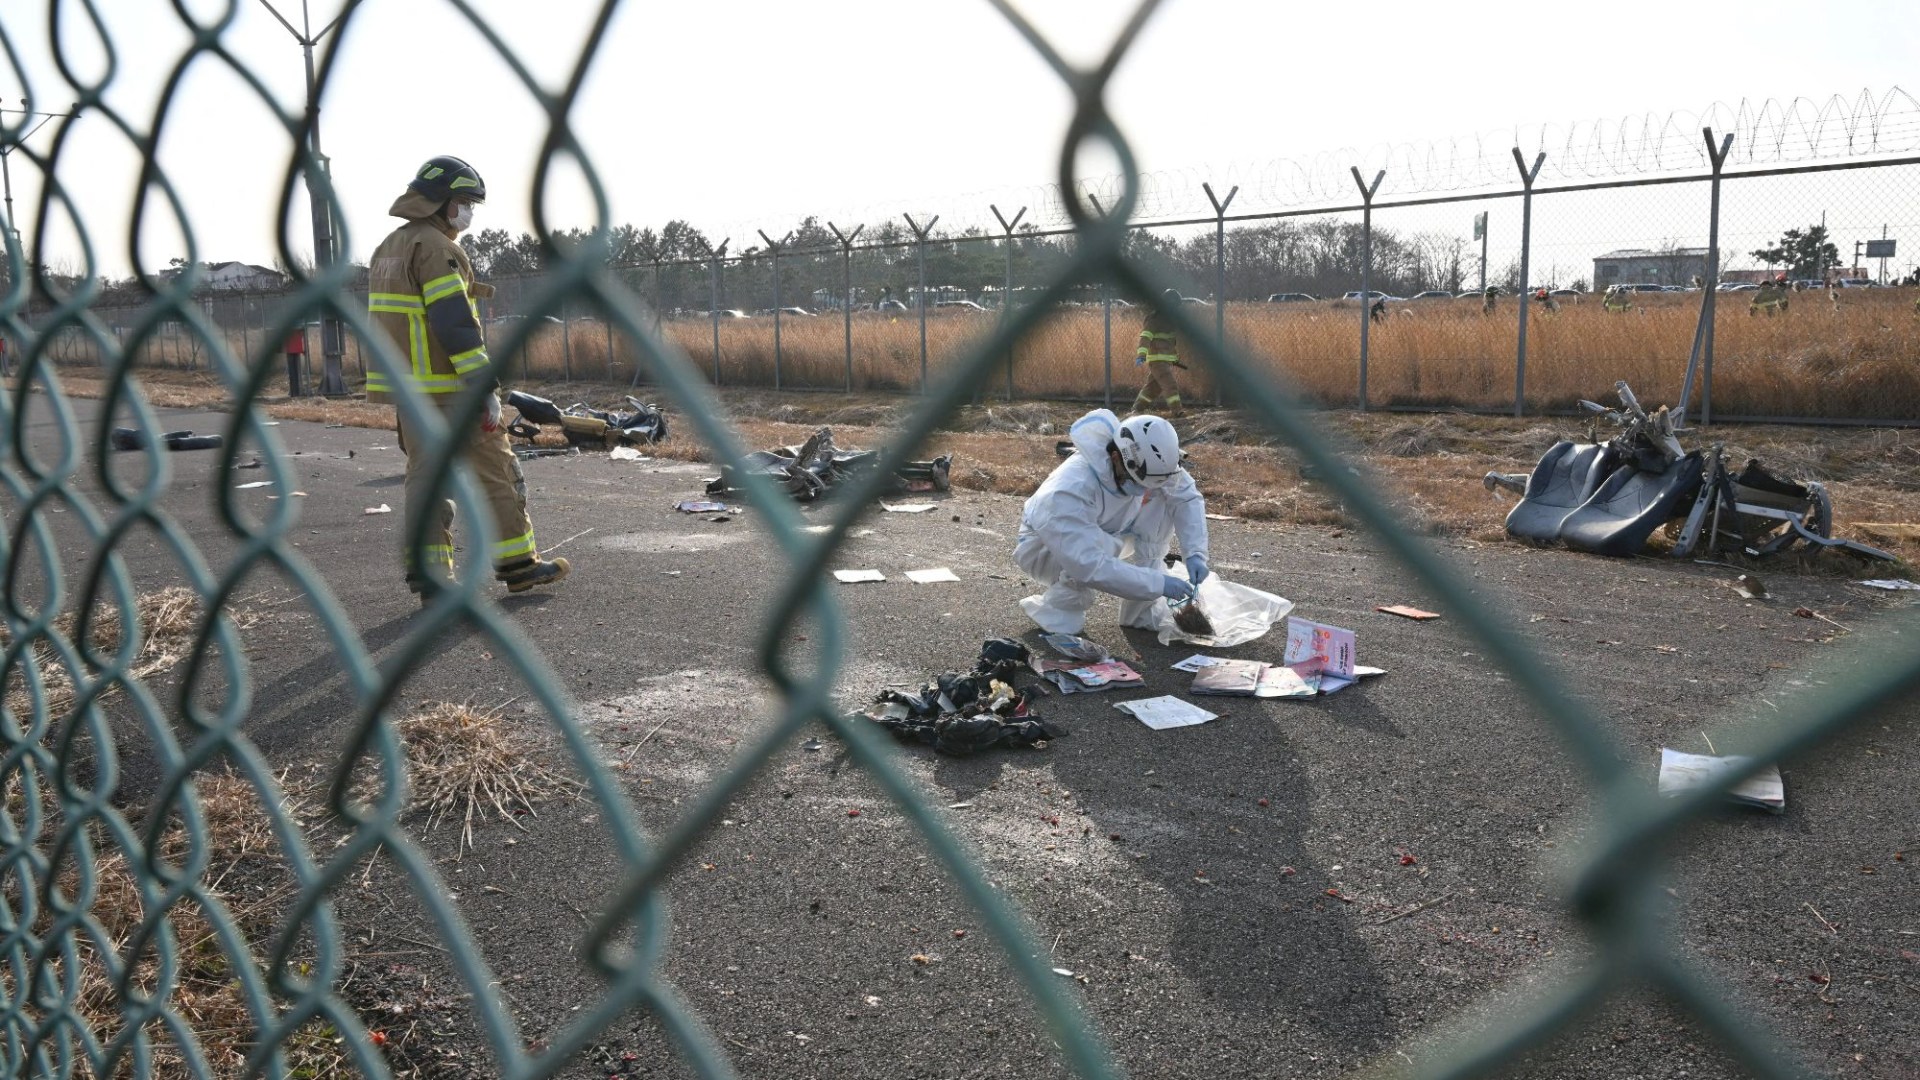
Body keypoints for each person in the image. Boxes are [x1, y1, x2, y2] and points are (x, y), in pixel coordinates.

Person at [365, 155, 570, 602]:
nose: (469, 212)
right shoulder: (437, 248)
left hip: (410, 393)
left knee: (425, 480)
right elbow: (454, 322)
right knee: (499, 472)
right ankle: (520, 566)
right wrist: (484, 387)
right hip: (450, 389)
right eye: (464, 202)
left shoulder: (388, 249)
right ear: (441, 203)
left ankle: (430, 577)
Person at [1014, 409, 1209, 635]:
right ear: (1116, 458)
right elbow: (1090, 564)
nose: (1144, 492)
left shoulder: (1143, 458)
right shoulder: (1068, 491)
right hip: (1047, 549)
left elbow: (1184, 496)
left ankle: (1140, 611)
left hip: (1110, 530)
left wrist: (1195, 553)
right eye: (1138, 482)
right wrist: (1159, 584)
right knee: (1068, 624)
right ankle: (1057, 607)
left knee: (1163, 498)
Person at [1131, 289, 1186, 417]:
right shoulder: (1154, 320)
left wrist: (1174, 358)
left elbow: (1170, 344)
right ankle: (1177, 411)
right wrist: (1141, 355)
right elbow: (1145, 337)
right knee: (1170, 384)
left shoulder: (1171, 322)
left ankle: (1137, 408)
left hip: (1165, 361)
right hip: (1157, 361)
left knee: (1152, 388)